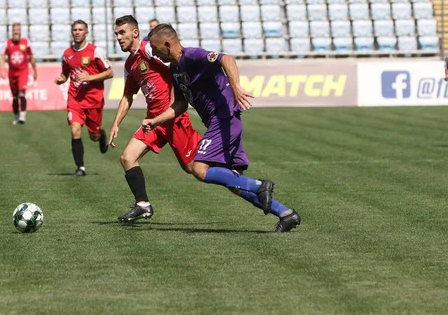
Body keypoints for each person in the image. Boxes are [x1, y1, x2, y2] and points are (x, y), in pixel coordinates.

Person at [142, 24, 300, 233]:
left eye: (154, 47)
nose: (152, 52)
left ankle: (259, 185)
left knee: (199, 169)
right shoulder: (175, 69)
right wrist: (156, 120)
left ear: (168, 44)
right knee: (234, 182)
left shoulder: (192, 56)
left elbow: (226, 58)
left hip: (223, 118)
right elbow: (180, 104)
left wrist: (235, 86)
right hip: (222, 121)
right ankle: (286, 214)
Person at [109, 15, 201, 222]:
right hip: (153, 122)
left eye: (122, 33)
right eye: (116, 34)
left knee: (193, 168)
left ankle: (235, 174)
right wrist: (116, 124)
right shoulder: (130, 64)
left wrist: (174, 104)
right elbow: (127, 95)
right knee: (127, 158)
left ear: (135, 32)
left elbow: (176, 64)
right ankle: (142, 204)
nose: (119, 38)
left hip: (173, 120)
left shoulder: (149, 49)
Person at [54, 20, 114, 176]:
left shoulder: (95, 51)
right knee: (75, 130)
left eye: (81, 29)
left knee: (94, 136)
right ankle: (80, 167)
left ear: (86, 32)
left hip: (94, 100)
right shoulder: (67, 54)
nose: (77, 32)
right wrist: (62, 78)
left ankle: (101, 135)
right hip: (75, 99)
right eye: (75, 29)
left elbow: (110, 73)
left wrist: (90, 78)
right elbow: (66, 73)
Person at [0, 23, 37, 125]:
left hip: (23, 72)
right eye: (14, 30)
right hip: (12, 73)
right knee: (15, 96)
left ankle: (23, 115)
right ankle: (16, 116)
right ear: (12, 31)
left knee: (21, 93)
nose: (16, 31)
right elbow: (2, 57)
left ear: (20, 31)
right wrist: (2, 70)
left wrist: (35, 70)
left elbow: (31, 57)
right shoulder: (7, 43)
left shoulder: (26, 42)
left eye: (18, 30)